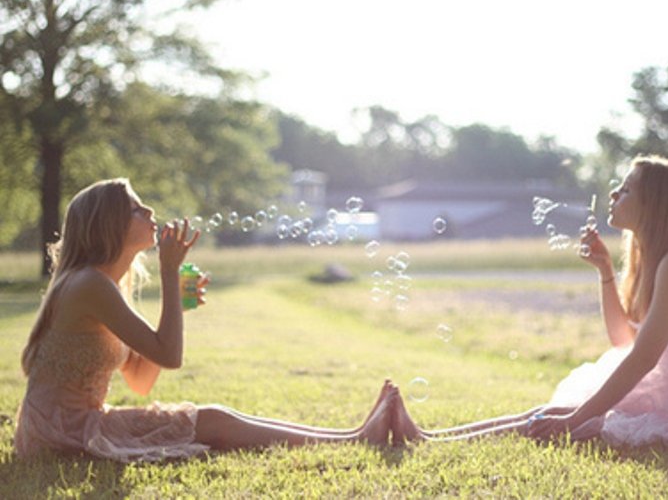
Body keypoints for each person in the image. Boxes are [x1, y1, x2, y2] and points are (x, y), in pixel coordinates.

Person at [390, 155, 668, 448]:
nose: (614, 193)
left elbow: (642, 358)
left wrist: (578, 415)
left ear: (654, 205)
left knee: (566, 418)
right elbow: (623, 339)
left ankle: (426, 439)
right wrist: (605, 271)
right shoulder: (653, 257)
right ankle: (427, 437)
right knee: (553, 412)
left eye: (625, 189)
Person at [14, 179, 395, 462]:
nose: (149, 212)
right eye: (135, 208)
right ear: (108, 225)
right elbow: (170, 356)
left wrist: (177, 301)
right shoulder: (89, 285)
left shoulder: (101, 285)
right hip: (60, 433)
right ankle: (355, 439)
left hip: (72, 424)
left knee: (215, 417)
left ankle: (355, 435)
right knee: (212, 420)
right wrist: (168, 273)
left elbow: (140, 379)